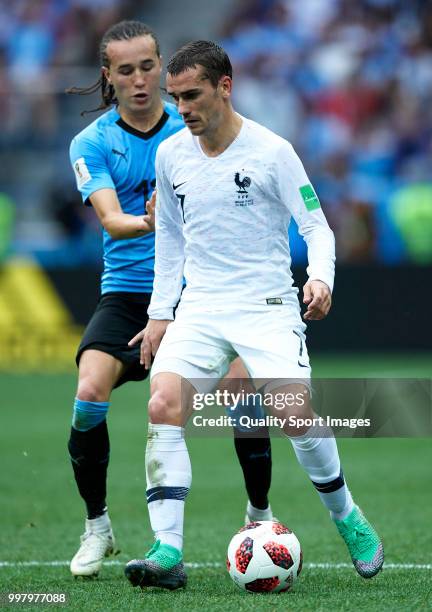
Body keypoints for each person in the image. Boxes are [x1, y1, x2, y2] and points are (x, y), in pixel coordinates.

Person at [125, 40, 384, 591]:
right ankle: (167, 550)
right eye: (175, 98)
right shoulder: (171, 156)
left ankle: (348, 517)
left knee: (293, 412)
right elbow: (170, 239)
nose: (183, 108)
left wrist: (320, 277)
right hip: (199, 307)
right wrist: (160, 313)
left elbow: (316, 225)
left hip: (265, 305)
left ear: (225, 86)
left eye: (192, 95)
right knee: (163, 404)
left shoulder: (272, 152)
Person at [67, 21, 274, 578]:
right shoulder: (92, 143)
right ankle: (98, 527)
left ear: (163, 66)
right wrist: (156, 220)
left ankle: (260, 518)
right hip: (129, 293)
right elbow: (111, 220)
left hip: (204, 293)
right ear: (107, 77)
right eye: (125, 71)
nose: (139, 81)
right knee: (88, 391)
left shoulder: (196, 124)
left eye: (148, 67)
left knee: (241, 391)